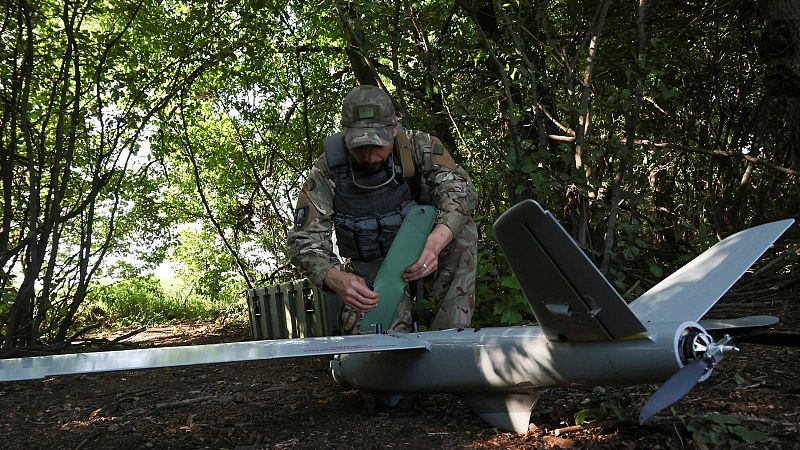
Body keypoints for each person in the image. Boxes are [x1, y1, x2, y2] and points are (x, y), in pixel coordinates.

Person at [287, 85, 478, 334]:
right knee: (379, 350)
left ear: (394, 129)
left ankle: (453, 339)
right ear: (345, 135)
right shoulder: (327, 170)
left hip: (423, 249)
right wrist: (335, 278)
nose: (370, 156)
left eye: (378, 146)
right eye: (360, 147)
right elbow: (304, 240)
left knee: (462, 236)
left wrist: (434, 244)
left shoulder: (419, 146)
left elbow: (461, 192)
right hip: (372, 269)